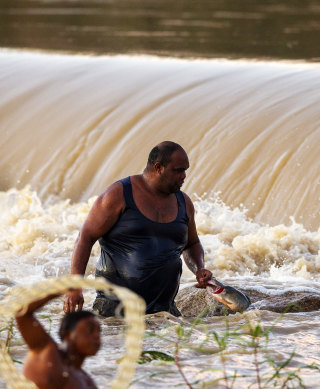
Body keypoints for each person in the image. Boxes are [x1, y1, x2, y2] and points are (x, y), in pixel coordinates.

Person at [63, 141, 213, 316]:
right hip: (115, 311)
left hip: (163, 313)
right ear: (159, 167)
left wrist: (199, 269)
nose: (184, 176)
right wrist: (75, 288)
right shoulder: (119, 194)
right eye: (178, 170)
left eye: (185, 170)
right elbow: (85, 237)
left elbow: (192, 243)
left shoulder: (184, 203)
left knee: (170, 343)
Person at [15, 293, 101, 389]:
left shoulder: (87, 381)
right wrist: (62, 288)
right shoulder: (46, 351)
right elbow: (22, 313)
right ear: (69, 334)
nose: (97, 336)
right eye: (90, 329)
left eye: (99, 331)